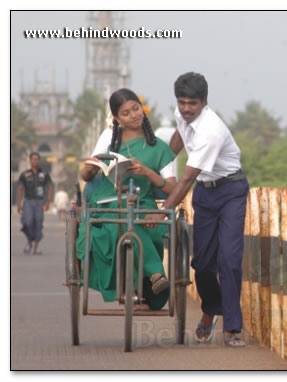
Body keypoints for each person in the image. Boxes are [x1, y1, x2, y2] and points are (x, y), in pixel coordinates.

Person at [147, 72, 249, 347]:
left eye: (192, 103)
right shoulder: (183, 115)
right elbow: (180, 134)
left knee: (228, 260)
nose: (186, 109)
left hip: (230, 192)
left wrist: (163, 211)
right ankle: (210, 310)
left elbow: (186, 180)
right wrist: (163, 162)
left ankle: (232, 328)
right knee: (202, 265)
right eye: (182, 102)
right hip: (205, 194)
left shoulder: (211, 131)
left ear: (204, 102)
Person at [76, 88, 177, 311]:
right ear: (116, 118)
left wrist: (148, 173)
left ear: (142, 108)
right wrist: (92, 167)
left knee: (136, 223)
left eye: (135, 108)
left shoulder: (160, 148)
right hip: (107, 202)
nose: (133, 115)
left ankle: (146, 287)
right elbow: (85, 175)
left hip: (144, 204)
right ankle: (155, 273)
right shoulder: (108, 139)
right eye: (125, 112)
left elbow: (173, 188)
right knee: (120, 220)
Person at [16, 152, 53, 255]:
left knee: (38, 223)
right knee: (27, 222)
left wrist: (48, 201)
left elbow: (50, 187)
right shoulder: (25, 174)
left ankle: (36, 247)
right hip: (28, 201)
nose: (35, 161)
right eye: (33, 159)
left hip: (40, 202)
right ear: (30, 160)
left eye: (37, 159)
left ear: (39, 161)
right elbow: (20, 189)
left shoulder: (44, 174)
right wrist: (19, 204)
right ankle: (29, 242)